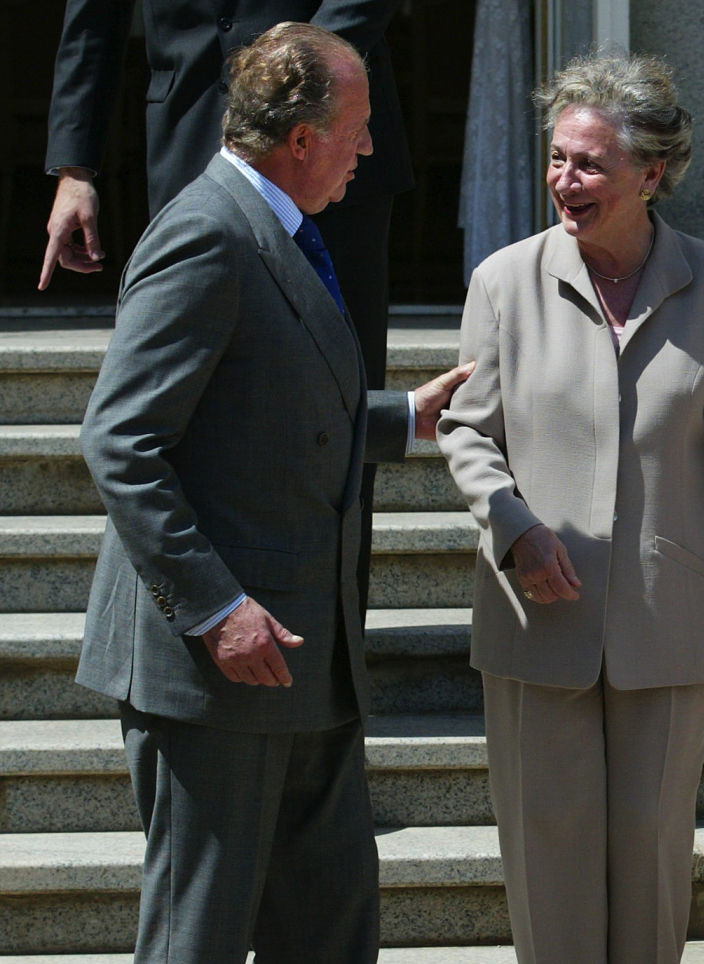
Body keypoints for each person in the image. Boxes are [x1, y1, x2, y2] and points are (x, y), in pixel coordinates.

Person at [75, 23, 469, 963]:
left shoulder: (284, 229)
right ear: (301, 140)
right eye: (359, 129)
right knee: (197, 938)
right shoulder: (206, 234)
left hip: (308, 656)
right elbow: (121, 441)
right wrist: (215, 608)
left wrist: (397, 419)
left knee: (331, 927)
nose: (369, 151)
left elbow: (262, 404)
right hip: (217, 670)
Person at [437, 52, 704, 963]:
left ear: (651, 173)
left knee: (653, 848)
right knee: (546, 854)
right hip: (533, 612)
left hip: (665, 616)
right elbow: (466, 433)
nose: (565, 181)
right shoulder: (503, 282)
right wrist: (510, 526)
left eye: (588, 164)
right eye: (556, 159)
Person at [40, 0, 413, 615]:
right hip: (191, 135)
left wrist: (294, 88)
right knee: (186, 410)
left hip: (328, 143)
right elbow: (93, 20)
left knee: (335, 395)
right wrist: (75, 169)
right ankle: (198, 618)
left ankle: (329, 647)